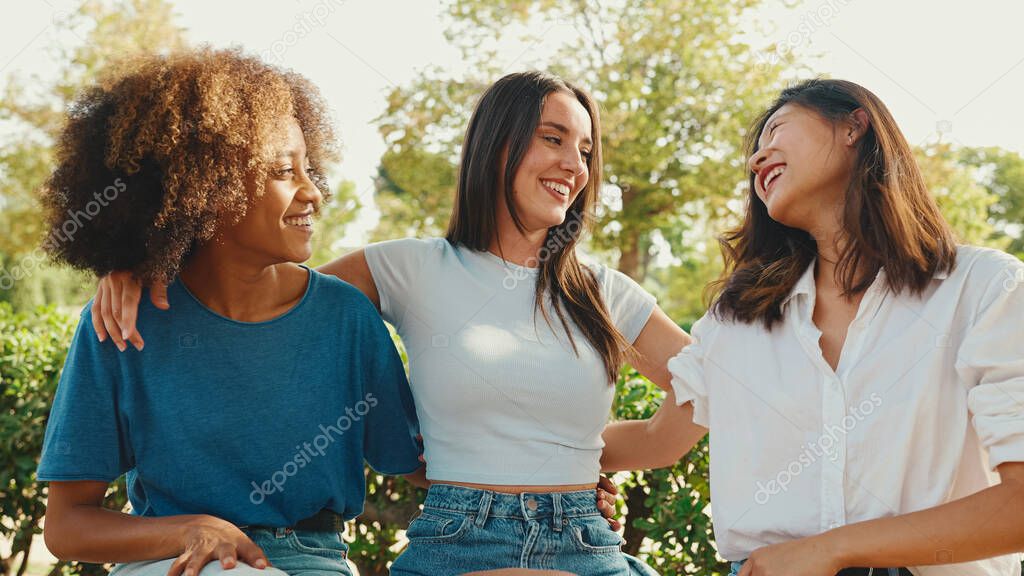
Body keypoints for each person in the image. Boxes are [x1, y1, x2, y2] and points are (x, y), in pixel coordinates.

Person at [91, 71, 691, 575]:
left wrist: (571, 458)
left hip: (588, 544)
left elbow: (712, 386)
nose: (574, 165)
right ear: (497, 147)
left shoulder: (605, 293)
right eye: (554, 139)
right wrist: (140, 264)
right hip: (457, 544)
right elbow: (252, 292)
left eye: (585, 151)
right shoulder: (408, 267)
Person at [600, 79, 1024, 576]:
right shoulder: (737, 322)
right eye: (754, 153)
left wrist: (831, 549)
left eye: (776, 130)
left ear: (854, 125)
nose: (758, 160)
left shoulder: (983, 289)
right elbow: (656, 439)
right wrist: (527, 455)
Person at [37, 47, 425, 576]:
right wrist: (192, 529)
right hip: (171, 563)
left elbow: (421, 465)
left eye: (309, 168)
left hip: (314, 563)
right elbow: (66, 527)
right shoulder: (123, 324)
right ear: (205, 188)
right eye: (284, 171)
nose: (313, 191)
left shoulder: (346, 320)